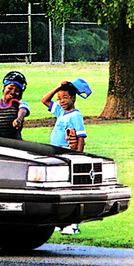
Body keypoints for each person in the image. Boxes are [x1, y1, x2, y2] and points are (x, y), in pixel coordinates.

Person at [42, 78, 91, 235]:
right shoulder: (61, 112)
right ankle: (60, 222)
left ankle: (73, 224)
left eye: (65, 97)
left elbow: (81, 138)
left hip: (68, 155)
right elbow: (44, 100)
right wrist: (58, 87)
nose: (61, 101)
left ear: (73, 98)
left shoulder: (75, 116)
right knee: (58, 189)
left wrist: (77, 157)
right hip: (56, 154)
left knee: (70, 190)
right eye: (59, 98)